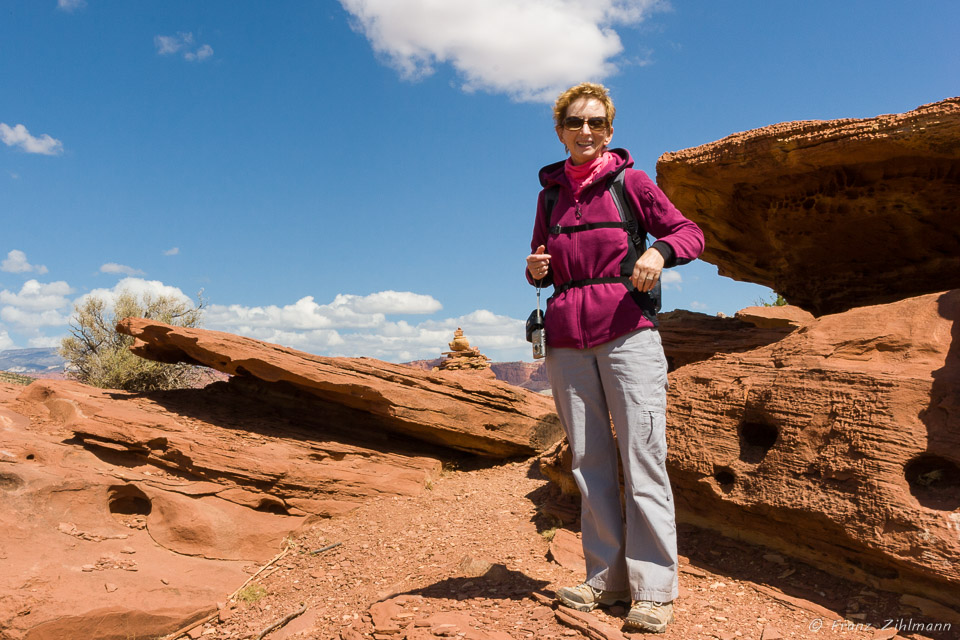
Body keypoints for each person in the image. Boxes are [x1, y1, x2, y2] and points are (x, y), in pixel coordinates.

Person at [525, 82, 704, 634]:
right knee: (589, 462)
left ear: (610, 130)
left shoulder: (631, 181)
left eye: (596, 123)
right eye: (575, 123)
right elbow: (541, 259)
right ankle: (606, 578)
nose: (586, 131)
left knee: (642, 457)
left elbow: (688, 232)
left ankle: (653, 590)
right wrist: (535, 268)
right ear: (559, 131)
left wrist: (657, 249)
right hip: (567, 340)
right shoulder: (550, 194)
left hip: (628, 335)